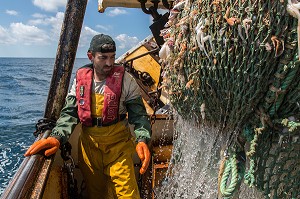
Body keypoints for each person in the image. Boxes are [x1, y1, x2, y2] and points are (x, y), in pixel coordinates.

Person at [25, 34, 151, 199]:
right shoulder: (79, 81)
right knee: (95, 194)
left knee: (128, 194)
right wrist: (57, 137)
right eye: (103, 57)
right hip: (89, 148)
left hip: (118, 147)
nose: (109, 63)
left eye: (112, 57)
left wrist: (142, 139)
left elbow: (139, 115)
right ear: (91, 56)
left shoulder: (126, 80)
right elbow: (70, 112)